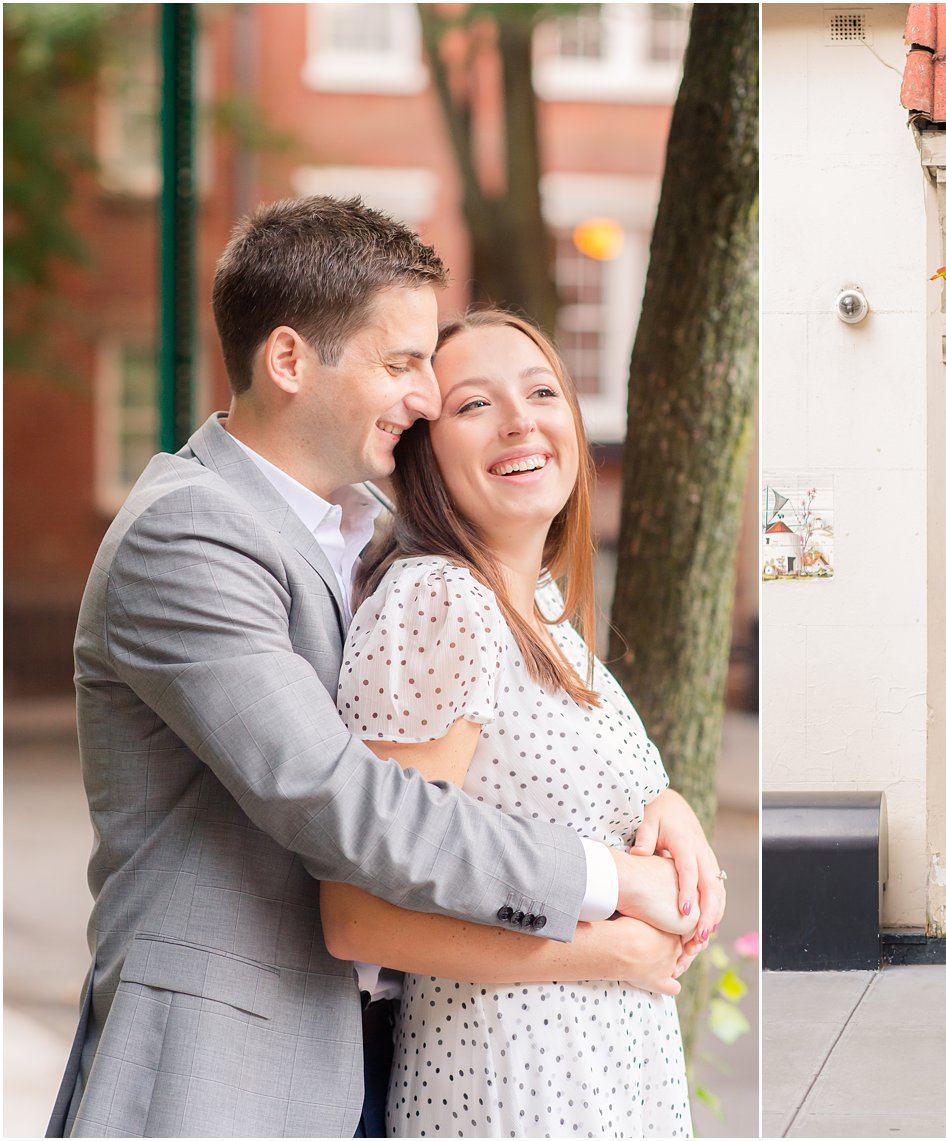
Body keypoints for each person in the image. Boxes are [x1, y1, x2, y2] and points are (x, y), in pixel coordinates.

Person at [48, 197, 717, 1139]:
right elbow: (338, 799)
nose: (425, 396)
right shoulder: (186, 532)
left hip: (386, 1051)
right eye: (402, 364)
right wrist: (607, 880)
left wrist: (659, 803)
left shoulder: (367, 542)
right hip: (225, 1069)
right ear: (289, 360)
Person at [321, 310, 697, 1137]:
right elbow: (361, 914)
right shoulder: (441, 599)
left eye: (539, 391)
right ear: (423, 450)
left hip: (604, 1068)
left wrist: (665, 803)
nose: (521, 419)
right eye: (473, 405)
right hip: (511, 1080)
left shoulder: (543, 613)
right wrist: (604, 952)